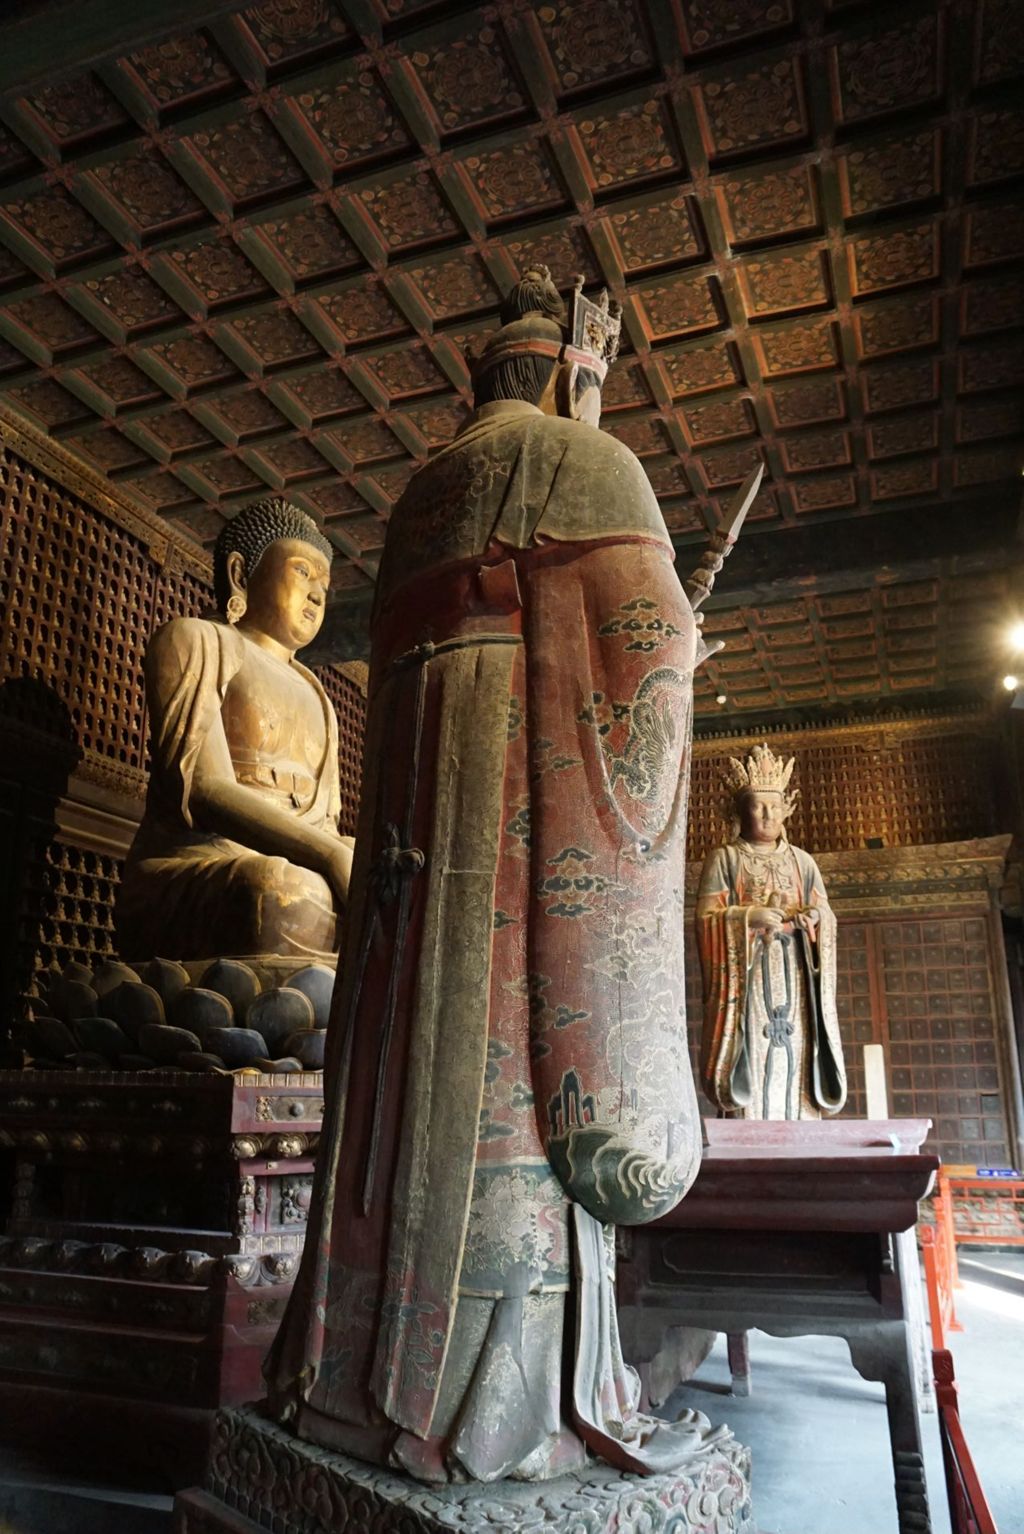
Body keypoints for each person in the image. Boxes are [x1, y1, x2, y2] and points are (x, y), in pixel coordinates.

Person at [265, 269, 723, 1482]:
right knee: (501, 1095)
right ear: (572, 369)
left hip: (410, 861)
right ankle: (494, 1408)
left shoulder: (421, 494)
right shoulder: (588, 465)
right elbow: (645, 651)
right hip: (513, 834)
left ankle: (353, 1372)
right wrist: (678, 651)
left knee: (396, 1097)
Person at [116, 498, 353, 962]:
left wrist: (344, 852)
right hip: (200, 863)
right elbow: (203, 789)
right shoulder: (197, 641)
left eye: (324, 586)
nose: (318, 596)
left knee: (396, 893)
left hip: (302, 864)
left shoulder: (321, 697)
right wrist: (326, 854)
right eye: (303, 572)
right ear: (242, 574)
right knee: (277, 890)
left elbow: (325, 821)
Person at [696, 743, 846, 1121]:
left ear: (786, 810)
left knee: (796, 1044)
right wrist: (748, 917)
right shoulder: (726, 859)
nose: (767, 814)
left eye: (775, 807)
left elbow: (825, 915)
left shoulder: (802, 862)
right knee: (755, 1045)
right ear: (740, 811)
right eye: (758, 806)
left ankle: (801, 1120)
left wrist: (812, 920)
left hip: (794, 974)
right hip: (746, 973)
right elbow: (707, 918)